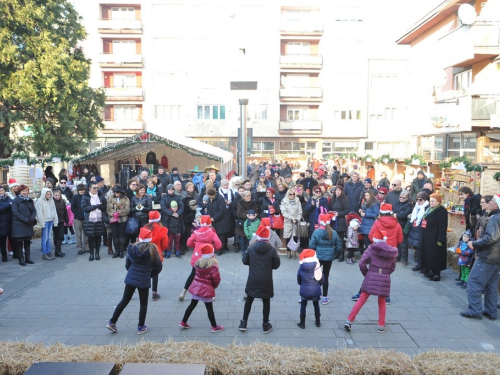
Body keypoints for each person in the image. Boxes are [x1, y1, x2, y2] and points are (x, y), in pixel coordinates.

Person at [106, 228, 163, 335]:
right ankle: (141, 327)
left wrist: (132, 273)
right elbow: (159, 267)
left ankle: (112, 322)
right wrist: (150, 275)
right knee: (143, 304)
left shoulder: (132, 248)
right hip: (143, 280)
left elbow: (127, 264)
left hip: (131, 278)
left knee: (124, 300)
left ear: (139, 237)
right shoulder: (153, 250)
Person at [344, 229, 397, 333]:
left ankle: (349, 321)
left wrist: (367, 274)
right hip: (384, 278)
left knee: (362, 298)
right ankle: (381, 325)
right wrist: (385, 274)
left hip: (371, 274)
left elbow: (362, 263)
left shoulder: (371, 249)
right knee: (382, 301)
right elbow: (393, 267)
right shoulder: (391, 251)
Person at [461, 194, 500, 320]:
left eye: (492, 201)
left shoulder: (494, 218)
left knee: (473, 283)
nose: (490, 203)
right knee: (491, 286)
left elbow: (491, 238)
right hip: (496, 257)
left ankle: (475, 310)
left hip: (488, 256)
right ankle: (490, 311)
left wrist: (474, 243)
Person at [239, 226, 280, 333]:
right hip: (266, 279)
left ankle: (244, 322)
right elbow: (276, 264)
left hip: (253, 278)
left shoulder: (251, 247)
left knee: (249, 300)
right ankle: (265, 325)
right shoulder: (271, 249)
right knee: (266, 301)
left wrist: (252, 263)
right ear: (268, 236)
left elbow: (244, 260)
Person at [179, 244, 224, 332]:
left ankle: (183, 322)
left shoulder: (197, 263)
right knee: (209, 308)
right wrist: (214, 287)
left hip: (196, 288)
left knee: (192, 305)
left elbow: (193, 275)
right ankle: (214, 326)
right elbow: (216, 279)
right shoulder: (213, 266)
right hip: (207, 290)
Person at [180, 215, 222, 301]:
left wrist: (195, 247)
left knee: (192, 274)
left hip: (197, 256)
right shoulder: (212, 232)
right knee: (211, 275)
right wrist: (213, 248)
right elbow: (219, 244)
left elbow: (188, 243)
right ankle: (211, 294)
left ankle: (183, 291)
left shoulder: (196, 232)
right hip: (208, 257)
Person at [309, 214, 342, 305]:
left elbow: (311, 246)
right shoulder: (333, 233)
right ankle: (324, 297)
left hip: (318, 256)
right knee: (326, 276)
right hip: (329, 257)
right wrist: (333, 253)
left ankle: (312, 294)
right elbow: (339, 246)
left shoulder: (316, 232)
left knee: (315, 275)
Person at [420, 193, 448, 281]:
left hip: (435, 236)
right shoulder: (429, 209)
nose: (431, 203)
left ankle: (437, 273)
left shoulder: (442, 211)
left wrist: (440, 239)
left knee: (436, 255)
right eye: (430, 201)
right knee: (429, 254)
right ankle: (431, 270)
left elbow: (443, 226)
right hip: (428, 236)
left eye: (433, 201)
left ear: (438, 202)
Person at [143, 211, 168, 301]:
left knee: (143, 271)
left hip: (145, 251)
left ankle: (138, 287)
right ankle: (154, 292)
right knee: (155, 273)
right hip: (156, 252)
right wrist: (161, 249)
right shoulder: (162, 229)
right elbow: (165, 243)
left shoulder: (145, 227)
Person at [296, 249, 323, 329]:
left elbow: (299, 277)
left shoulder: (301, 266)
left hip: (305, 289)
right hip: (315, 289)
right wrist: (319, 285)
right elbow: (321, 278)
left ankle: (302, 323)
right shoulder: (317, 265)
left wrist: (301, 284)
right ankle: (318, 321)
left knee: (303, 305)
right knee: (316, 304)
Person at [11, 185, 36, 266]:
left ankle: (28, 258)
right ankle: (21, 259)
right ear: (19, 192)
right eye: (23, 191)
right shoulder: (16, 200)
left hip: (28, 224)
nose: (25, 192)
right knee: (19, 242)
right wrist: (26, 220)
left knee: (27, 241)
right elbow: (15, 212)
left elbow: (33, 210)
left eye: (26, 191)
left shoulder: (29, 200)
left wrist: (32, 218)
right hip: (19, 224)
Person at [81, 181, 107, 261]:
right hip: (89, 220)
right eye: (94, 188)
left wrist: (100, 206)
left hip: (99, 219)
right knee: (91, 237)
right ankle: (91, 254)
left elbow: (105, 207)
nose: (96, 189)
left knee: (98, 237)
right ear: (89, 188)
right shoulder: (85, 197)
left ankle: (97, 253)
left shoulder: (101, 196)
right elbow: (84, 208)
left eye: (97, 188)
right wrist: (95, 206)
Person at [206, 187, 232, 254]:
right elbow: (208, 208)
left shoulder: (220, 199)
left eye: (209, 195)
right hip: (214, 220)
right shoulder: (210, 199)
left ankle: (221, 249)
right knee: (218, 235)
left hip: (222, 220)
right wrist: (210, 217)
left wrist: (214, 218)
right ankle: (221, 247)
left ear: (212, 195)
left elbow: (222, 211)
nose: (208, 197)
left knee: (222, 235)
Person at [408, 191, 429, 272]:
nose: (418, 201)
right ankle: (419, 264)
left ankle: (422, 265)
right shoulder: (416, 206)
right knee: (417, 249)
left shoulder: (426, 208)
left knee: (421, 249)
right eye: (417, 199)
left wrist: (419, 226)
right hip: (415, 230)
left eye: (420, 200)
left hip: (420, 230)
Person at [107, 185, 130, 259]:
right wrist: (113, 213)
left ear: (121, 192)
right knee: (115, 235)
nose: (116, 193)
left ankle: (121, 251)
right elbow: (108, 208)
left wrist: (119, 213)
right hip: (113, 219)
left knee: (122, 235)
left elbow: (127, 210)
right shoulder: (110, 199)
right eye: (115, 192)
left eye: (118, 192)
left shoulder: (126, 199)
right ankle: (116, 251)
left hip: (122, 219)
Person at [36, 187, 58, 260]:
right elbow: (39, 213)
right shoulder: (39, 201)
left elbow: (54, 211)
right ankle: (44, 253)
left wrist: (55, 221)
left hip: (50, 220)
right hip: (45, 221)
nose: (48, 196)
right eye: (47, 194)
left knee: (49, 237)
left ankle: (49, 252)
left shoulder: (51, 200)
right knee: (45, 238)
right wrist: (42, 223)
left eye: (49, 194)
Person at [329, 185, 350, 262]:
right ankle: (336, 253)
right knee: (334, 239)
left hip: (340, 221)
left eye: (339, 190)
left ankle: (341, 254)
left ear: (341, 191)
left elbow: (347, 210)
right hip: (333, 221)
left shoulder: (345, 199)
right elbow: (330, 208)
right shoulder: (332, 199)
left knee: (340, 239)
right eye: (336, 190)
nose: (337, 192)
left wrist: (339, 213)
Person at [280, 188, 303, 260]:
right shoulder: (284, 201)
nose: (292, 196)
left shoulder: (298, 201)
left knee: (295, 236)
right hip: (288, 221)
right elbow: (283, 212)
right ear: (288, 195)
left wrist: (297, 219)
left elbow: (300, 211)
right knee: (288, 237)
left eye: (293, 194)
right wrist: (291, 218)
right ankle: (288, 251)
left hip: (296, 221)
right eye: (290, 194)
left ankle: (294, 252)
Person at [392, 190, 413, 266]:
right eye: (400, 197)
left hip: (404, 226)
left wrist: (397, 215)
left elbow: (404, 215)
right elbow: (392, 212)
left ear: (407, 198)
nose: (401, 198)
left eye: (403, 198)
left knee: (403, 243)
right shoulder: (396, 203)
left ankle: (404, 259)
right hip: (396, 225)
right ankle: (397, 256)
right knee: (397, 242)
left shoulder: (409, 205)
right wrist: (398, 214)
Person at [71, 184, 89, 255]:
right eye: (80, 190)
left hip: (86, 218)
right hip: (78, 218)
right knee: (78, 234)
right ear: (78, 190)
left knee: (86, 233)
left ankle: (86, 247)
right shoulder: (75, 197)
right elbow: (73, 207)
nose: (82, 191)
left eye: (83, 190)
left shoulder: (87, 197)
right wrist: (77, 214)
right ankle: (79, 248)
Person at [52, 189, 69, 258]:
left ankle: (59, 249)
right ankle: (57, 250)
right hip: (55, 221)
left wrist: (67, 220)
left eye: (58, 195)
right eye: (56, 195)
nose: (57, 197)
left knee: (61, 236)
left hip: (61, 220)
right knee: (56, 236)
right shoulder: (52, 202)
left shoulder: (62, 202)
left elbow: (65, 211)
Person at [0, 185, 13, 262]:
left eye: (2, 190)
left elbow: (13, 204)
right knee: (2, 241)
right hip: (1, 224)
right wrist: (8, 205)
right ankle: (4, 255)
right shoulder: (8, 201)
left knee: (12, 239)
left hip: (10, 222)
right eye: (0, 191)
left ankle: (15, 254)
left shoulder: (8, 198)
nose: (1, 192)